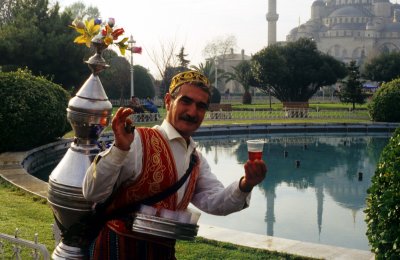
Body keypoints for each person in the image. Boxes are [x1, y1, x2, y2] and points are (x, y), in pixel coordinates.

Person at [82, 70, 267, 259]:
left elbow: (215, 202)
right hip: (117, 250)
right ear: (169, 101)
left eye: (201, 106)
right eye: (185, 101)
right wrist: (119, 150)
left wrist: (246, 184)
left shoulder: (195, 159)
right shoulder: (138, 140)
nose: (192, 112)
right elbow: (92, 193)